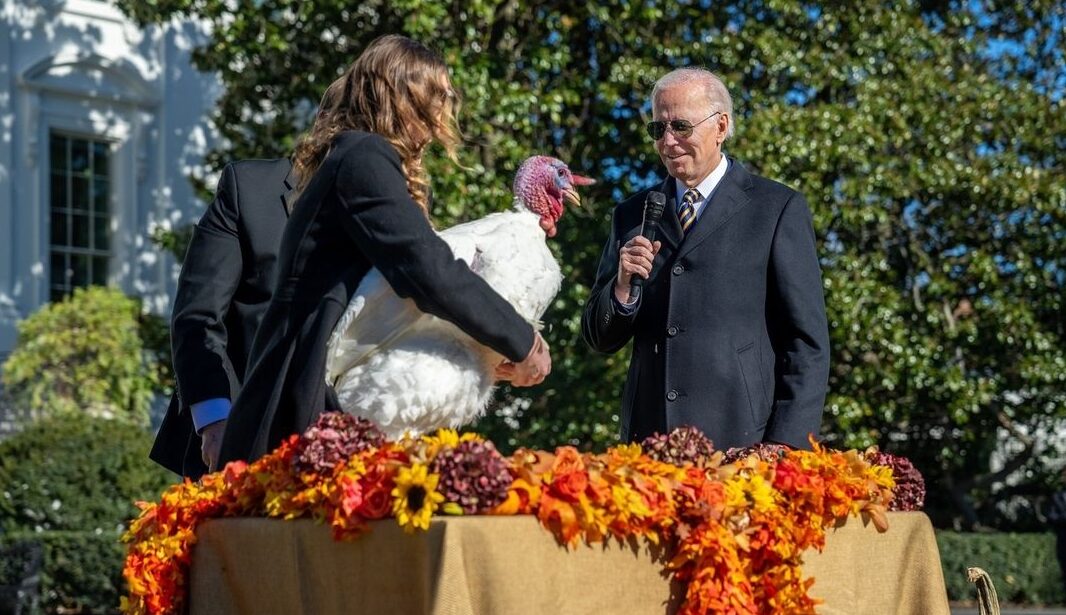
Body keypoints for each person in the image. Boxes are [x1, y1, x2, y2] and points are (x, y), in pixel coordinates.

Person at [212, 34, 550, 470]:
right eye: (437, 99)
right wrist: (522, 340)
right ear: (404, 96)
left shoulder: (352, 157)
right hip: (300, 411)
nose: (440, 121)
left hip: (303, 405)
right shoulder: (363, 156)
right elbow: (426, 269)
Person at [581, 67, 829, 450]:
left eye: (681, 126)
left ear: (721, 126)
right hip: (650, 445)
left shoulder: (776, 209)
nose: (668, 141)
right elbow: (599, 338)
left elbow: (806, 344)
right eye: (657, 130)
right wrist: (623, 287)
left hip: (744, 445)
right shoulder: (632, 214)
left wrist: (785, 446)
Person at [149, 157, 293, 479]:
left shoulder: (402, 200)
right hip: (246, 445)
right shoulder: (252, 188)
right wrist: (216, 422)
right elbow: (198, 315)